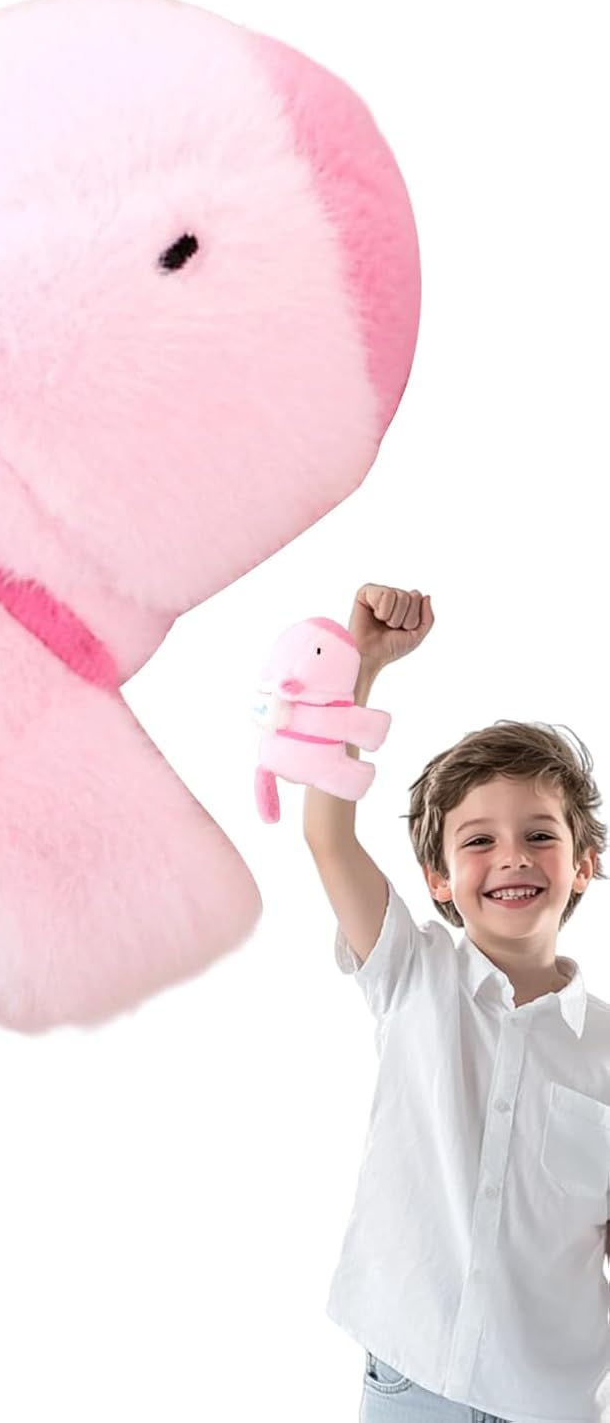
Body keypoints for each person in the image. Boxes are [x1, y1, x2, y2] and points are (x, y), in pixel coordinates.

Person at [303, 584, 610, 1423]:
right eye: (479, 840)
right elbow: (328, 835)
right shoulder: (412, 972)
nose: (513, 856)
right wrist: (361, 667)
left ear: (583, 863)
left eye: (540, 833)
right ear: (438, 878)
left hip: (550, 1401)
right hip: (410, 1386)